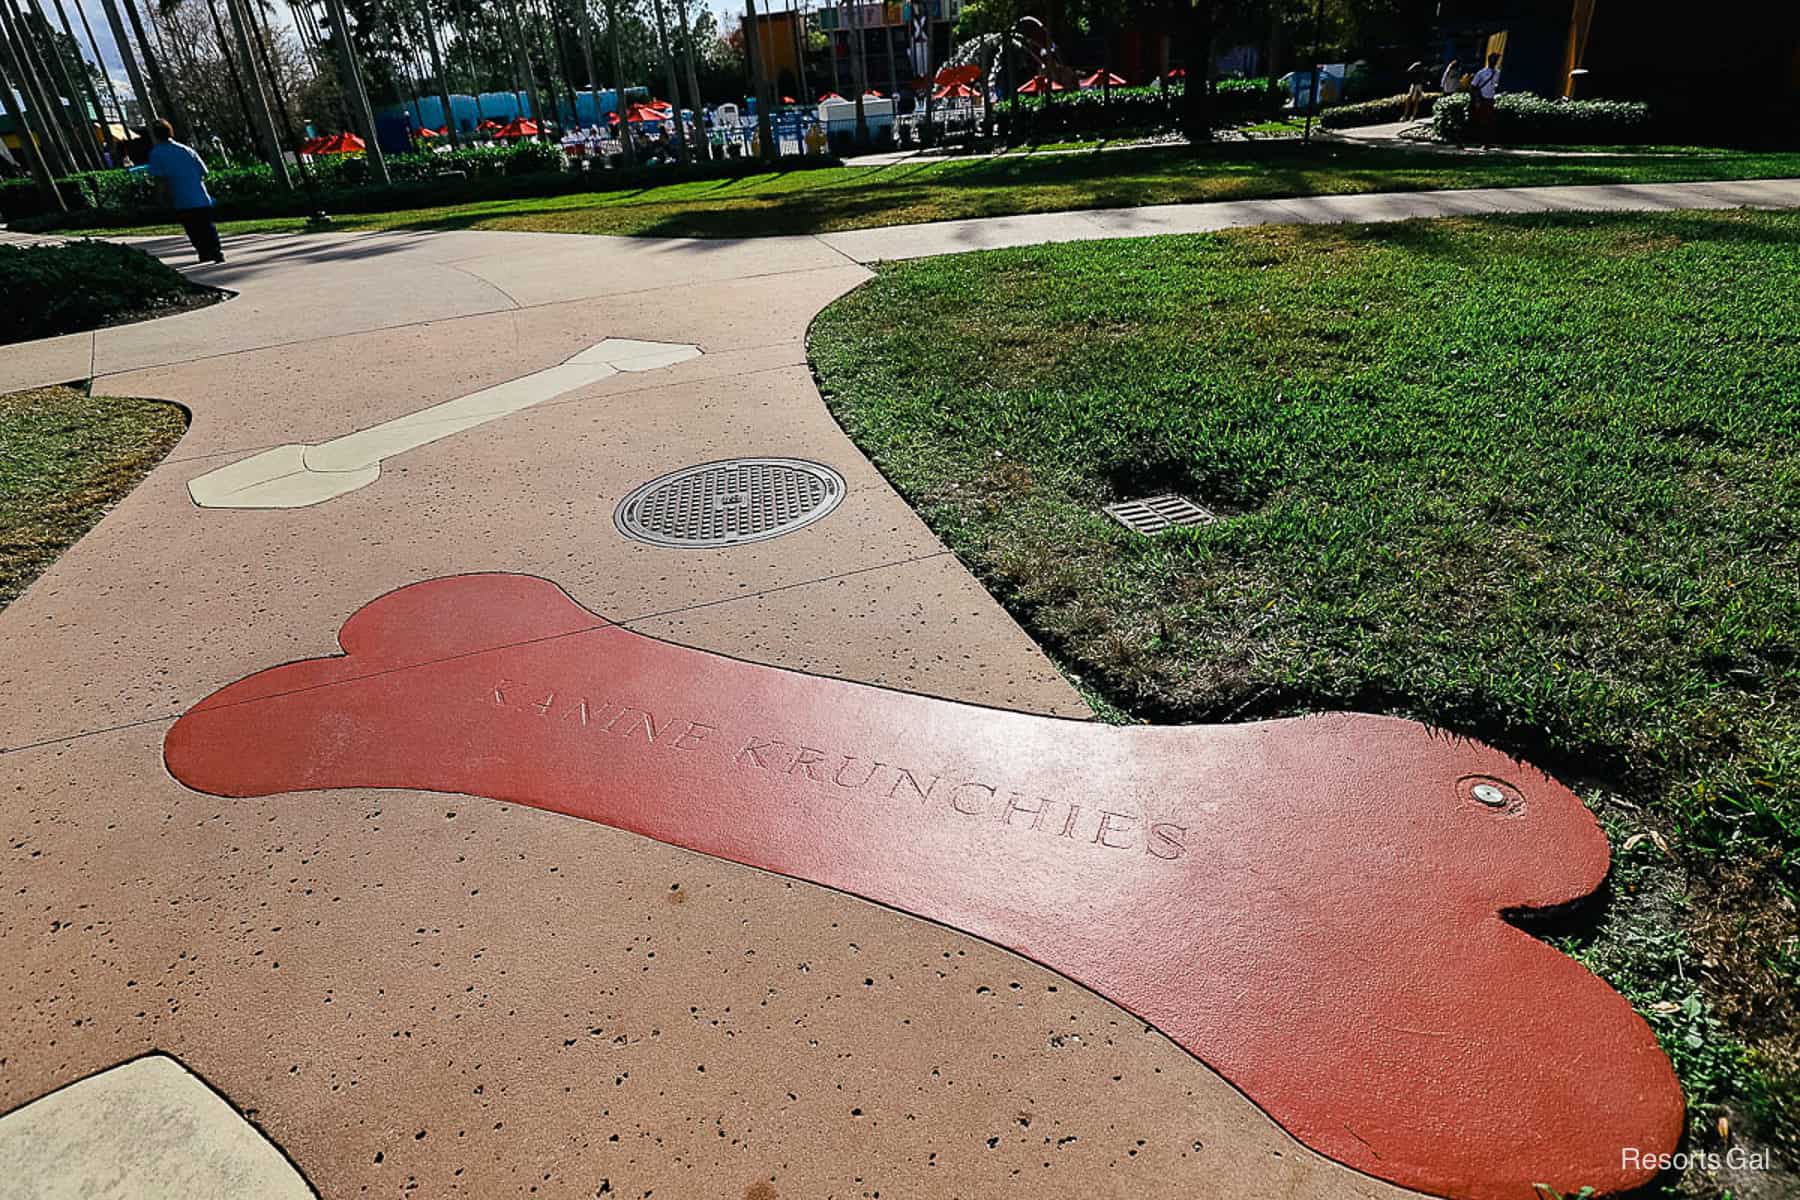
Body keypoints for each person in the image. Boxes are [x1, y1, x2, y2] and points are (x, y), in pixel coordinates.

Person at [146, 119, 223, 264]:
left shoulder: (156, 153)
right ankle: (216, 251)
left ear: (155, 135)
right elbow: (203, 171)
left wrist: (161, 197)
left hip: (181, 199)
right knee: (207, 226)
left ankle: (204, 252)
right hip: (200, 196)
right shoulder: (186, 150)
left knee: (193, 228)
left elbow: (159, 179)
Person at [1469, 52, 1502, 145]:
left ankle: (1488, 142)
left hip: (1490, 99)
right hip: (1482, 99)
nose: (1495, 61)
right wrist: (1476, 100)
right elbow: (1472, 86)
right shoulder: (1481, 73)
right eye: (1493, 59)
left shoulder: (1497, 73)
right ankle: (1482, 141)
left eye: (1496, 60)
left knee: (1490, 121)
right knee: (1482, 121)